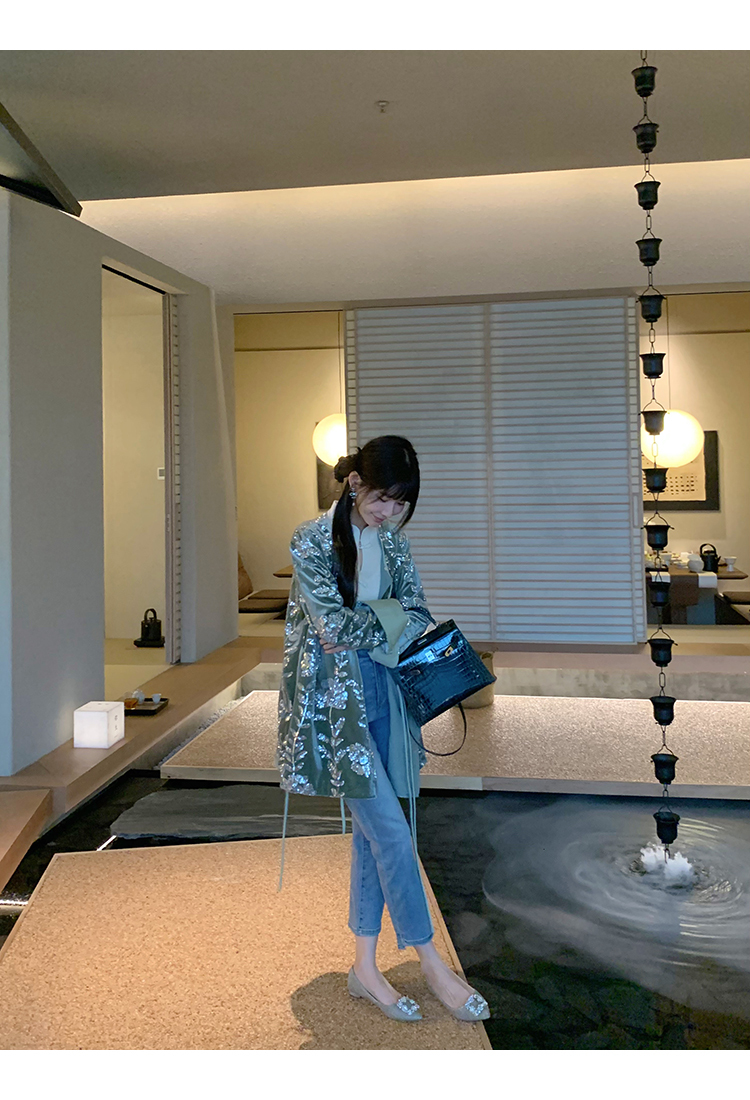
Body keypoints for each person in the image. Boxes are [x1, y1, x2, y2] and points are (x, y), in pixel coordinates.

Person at [277, 434, 490, 1024]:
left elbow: (417, 615)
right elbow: (330, 625)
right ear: (355, 483)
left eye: (401, 503)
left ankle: (365, 969)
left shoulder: (394, 543)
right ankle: (432, 963)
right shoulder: (311, 540)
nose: (390, 512)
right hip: (335, 703)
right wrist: (384, 620)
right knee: (393, 833)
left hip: (386, 694)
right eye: (382, 499)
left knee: (374, 835)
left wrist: (368, 622)